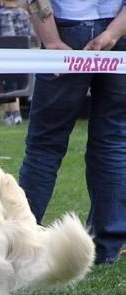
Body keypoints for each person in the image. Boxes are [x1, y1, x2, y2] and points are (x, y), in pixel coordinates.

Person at [19, 0, 126, 265]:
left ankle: (20, 241)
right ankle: (106, 247)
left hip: (66, 25)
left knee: (45, 144)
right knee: (113, 141)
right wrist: (112, 34)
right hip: (119, 30)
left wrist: (52, 40)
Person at [0, 0, 34, 125]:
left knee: (8, 85)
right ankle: (8, 114)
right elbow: (30, 34)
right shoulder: (24, 14)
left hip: (4, 54)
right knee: (15, 84)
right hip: (22, 54)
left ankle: (15, 113)